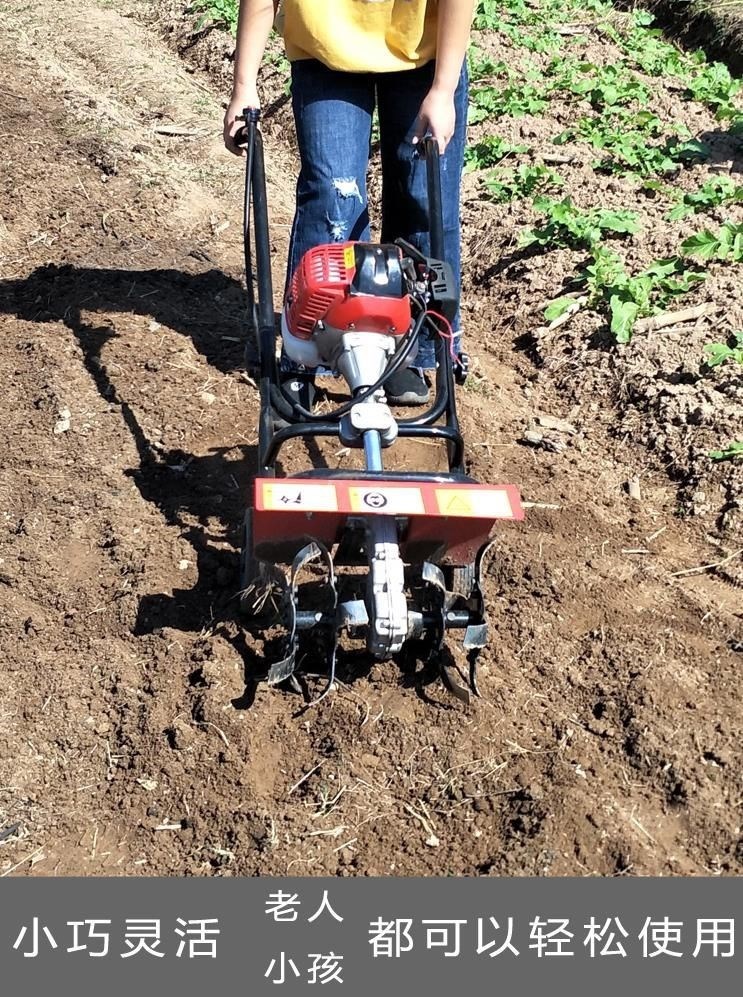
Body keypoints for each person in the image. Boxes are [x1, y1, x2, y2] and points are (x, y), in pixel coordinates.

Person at [224, 0, 474, 405]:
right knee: (331, 199)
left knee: (424, 204)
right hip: (327, 50)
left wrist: (443, 90)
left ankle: (406, 351)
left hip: (424, 56)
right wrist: (243, 86)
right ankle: (306, 354)